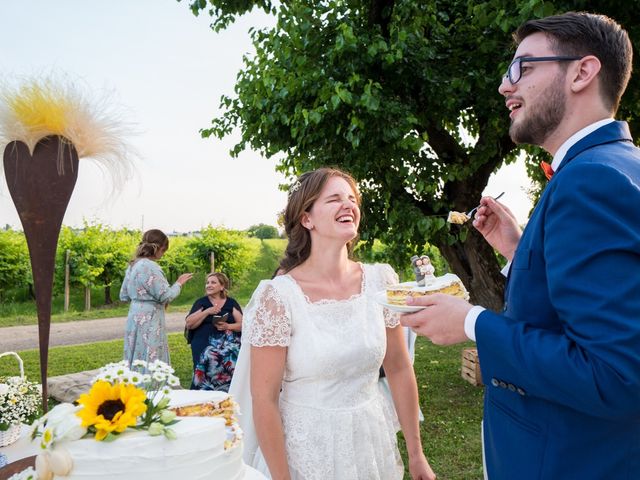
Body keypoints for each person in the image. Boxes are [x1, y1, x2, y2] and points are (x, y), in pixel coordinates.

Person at [401, 12, 640, 479]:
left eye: (523, 68)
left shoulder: (590, 180)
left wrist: (471, 322)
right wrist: (519, 250)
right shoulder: (614, 165)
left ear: (582, 72)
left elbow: (612, 375)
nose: (504, 87)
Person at [230, 168, 435, 480]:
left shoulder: (380, 280)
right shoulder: (278, 297)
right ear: (307, 218)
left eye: (353, 199)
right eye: (335, 199)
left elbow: (398, 367)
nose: (348, 205)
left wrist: (416, 454)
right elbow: (265, 400)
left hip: (370, 443)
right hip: (305, 454)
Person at [121, 229, 193, 366]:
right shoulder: (151, 267)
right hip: (150, 317)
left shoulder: (133, 265)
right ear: (159, 248)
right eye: (164, 250)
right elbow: (166, 295)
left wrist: (140, 296)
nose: (163, 254)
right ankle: (152, 385)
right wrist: (179, 283)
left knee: (135, 350)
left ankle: (135, 385)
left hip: (134, 316)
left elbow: (123, 295)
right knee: (151, 351)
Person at [185, 272, 243, 391]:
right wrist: (207, 312)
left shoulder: (231, 303)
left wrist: (228, 326)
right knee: (206, 356)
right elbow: (189, 324)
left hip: (228, 344)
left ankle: (228, 392)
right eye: (207, 283)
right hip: (204, 343)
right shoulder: (201, 302)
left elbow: (243, 325)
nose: (209, 285)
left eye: (213, 282)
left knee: (230, 355)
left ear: (222, 286)